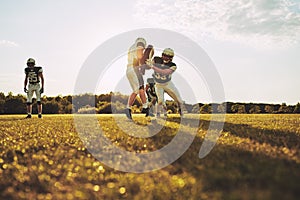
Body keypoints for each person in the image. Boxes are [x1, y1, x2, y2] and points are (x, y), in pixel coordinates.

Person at [150, 48, 184, 116]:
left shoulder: (173, 65)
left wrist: (152, 66)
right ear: (162, 55)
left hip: (168, 84)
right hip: (158, 84)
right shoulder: (156, 59)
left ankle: (180, 111)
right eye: (165, 55)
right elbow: (147, 65)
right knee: (160, 101)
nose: (167, 58)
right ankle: (158, 113)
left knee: (179, 100)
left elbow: (165, 72)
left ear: (171, 58)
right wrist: (147, 61)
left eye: (169, 56)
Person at [125, 37, 150, 119]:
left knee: (136, 90)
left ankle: (128, 108)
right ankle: (145, 107)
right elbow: (140, 55)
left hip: (129, 70)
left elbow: (139, 61)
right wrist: (147, 61)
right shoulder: (140, 43)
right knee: (141, 89)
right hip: (134, 69)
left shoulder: (132, 47)